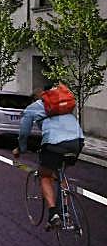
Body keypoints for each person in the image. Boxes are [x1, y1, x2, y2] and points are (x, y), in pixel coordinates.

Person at [13, 83, 84, 229]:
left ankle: (53, 214)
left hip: (54, 143)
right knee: (61, 174)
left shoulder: (33, 107)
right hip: (77, 141)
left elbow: (24, 133)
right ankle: (64, 212)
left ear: (34, 99)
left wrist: (21, 149)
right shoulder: (63, 102)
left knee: (45, 176)